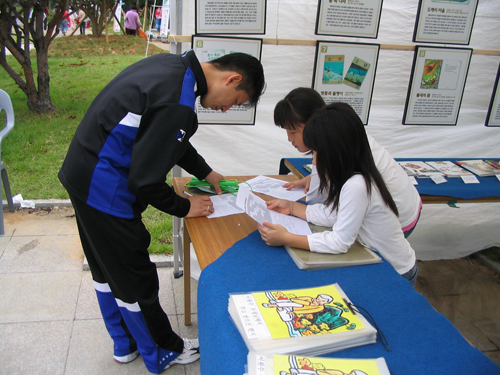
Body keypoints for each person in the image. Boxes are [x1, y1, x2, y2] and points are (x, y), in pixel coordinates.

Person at [58, 51, 265, 373]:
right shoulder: (178, 104)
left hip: (83, 173)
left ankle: (124, 343)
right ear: (232, 78)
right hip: (105, 188)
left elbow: (167, 138)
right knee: (134, 277)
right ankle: (163, 350)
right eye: (234, 101)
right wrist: (184, 206)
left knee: (106, 269)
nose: (226, 108)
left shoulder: (171, 68)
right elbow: (145, 181)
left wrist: (208, 174)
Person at [258, 102, 418, 286]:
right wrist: (292, 207)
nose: (315, 161)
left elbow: (340, 241)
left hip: (396, 272)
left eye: (317, 152)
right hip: (381, 262)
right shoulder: (356, 177)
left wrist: (287, 238)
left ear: (336, 151)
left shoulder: (356, 185)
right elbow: (336, 214)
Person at [274, 88, 422, 237]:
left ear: (312, 124)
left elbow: (330, 212)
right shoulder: (341, 133)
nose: (289, 139)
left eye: (293, 132)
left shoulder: (338, 153)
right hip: (401, 206)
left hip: (397, 219)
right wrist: (313, 178)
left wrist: (293, 213)